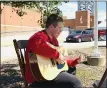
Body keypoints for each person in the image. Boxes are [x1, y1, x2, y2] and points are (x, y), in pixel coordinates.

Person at [25, 14, 83, 88]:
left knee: (72, 69)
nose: (61, 31)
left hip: (51, 73)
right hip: (39, 79)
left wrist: (75, 61)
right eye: (59, 28)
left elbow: (61, 61)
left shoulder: (54, 40)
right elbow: (40, 46)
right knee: (75, 82)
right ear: (51, 26)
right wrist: (57, 55)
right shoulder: (38, 37)